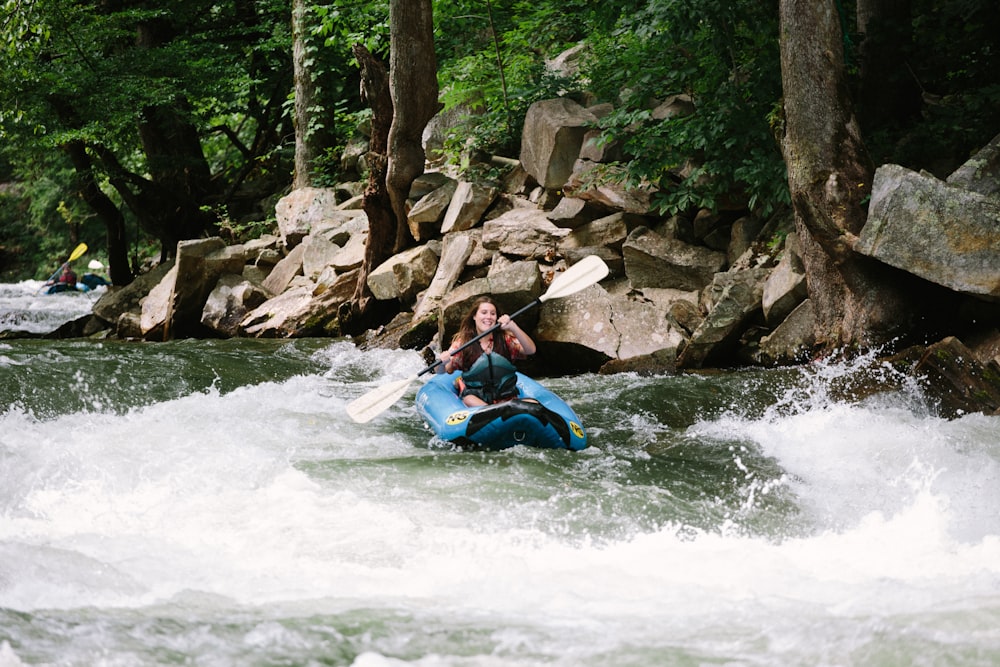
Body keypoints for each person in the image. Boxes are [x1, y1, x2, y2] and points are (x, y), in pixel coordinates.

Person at [437, 296, 537, 407]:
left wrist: (513, 327)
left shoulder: (506, 339)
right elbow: (444, 371)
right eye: (484, 313)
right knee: (469, 399)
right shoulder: (463, 343)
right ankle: (493, 412)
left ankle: (501, 411)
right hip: (477, 400)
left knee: (533, 403)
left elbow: (530, 350)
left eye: (493, 314)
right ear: (474, 316)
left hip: (506, 398)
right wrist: (443, 362)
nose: (488, 317)